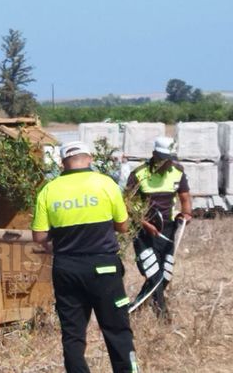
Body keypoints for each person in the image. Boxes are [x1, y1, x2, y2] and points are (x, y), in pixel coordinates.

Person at [32, 141, 138, 373]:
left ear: (62, 163)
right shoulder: (106, 184)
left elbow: (39, 236)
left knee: (73, 336)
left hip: (67, 269)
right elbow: (123, 226)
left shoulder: (49, 190)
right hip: (104, 269)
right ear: (89, 158)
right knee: (117, 331)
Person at [126, 136, 192, 318]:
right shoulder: (138, 173)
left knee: (166, 273)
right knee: (152, 270)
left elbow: (185, 197)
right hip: (143, 229)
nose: (166, 161)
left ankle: (135, 307)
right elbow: (127, 203)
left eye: (169, 157)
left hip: (169, 229)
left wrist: (186, 213)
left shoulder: (178, 171)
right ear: (154, 154)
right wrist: (144, 223)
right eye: (162, 157)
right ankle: (162, 313)